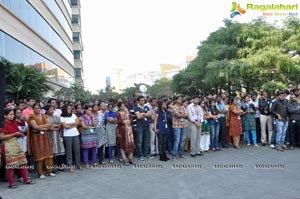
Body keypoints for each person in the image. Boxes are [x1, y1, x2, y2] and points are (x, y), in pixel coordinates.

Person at [0, 109, 35, 188]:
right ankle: (11, 183)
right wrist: (14, 134)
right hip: (7, 145)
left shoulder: (14, 122)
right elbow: (1, 137)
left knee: (23, 162)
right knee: (10, 165)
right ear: (5, 116)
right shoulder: (3, 124)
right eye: (10, 114)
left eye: (13, 114)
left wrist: (20, 134)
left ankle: (26, 179)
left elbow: (17, 133)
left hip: (16, 143)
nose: (12, 116)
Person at [27, 103, 56, 179]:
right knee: (39, 155)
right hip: (36, 139)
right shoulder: (31, 117)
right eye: (35, 108)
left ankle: (49, 172)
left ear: (40, 109)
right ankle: (40, 173)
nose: (37, 109)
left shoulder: (43, 116)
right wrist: (44, 127)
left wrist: (40, 127)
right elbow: (35, 127)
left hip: (45, 137)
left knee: (48, 154)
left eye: (38, 108)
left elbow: (49, 124)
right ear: (33, 109)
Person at [60, 104, 81, 172]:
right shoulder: (62, 117)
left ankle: (78, 164)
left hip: (75, 134)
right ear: (65, 109)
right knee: (69, 151)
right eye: (68, 108)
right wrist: (73, 124)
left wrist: (69, 124)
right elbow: (65, 126)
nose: (70, 110)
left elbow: (77, 123)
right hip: (67, 135)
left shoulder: (73, 115)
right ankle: (69, 165)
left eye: (70, 108)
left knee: (77, 150)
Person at [45, 105, 66, 171]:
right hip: (49, 135)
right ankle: (52, 166)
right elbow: (48, 126)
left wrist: (56, 127)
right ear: (47, 110)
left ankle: (60, 165)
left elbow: (60, 124)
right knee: (52, 150)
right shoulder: (45, 117)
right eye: (51, 109)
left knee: (60, 149)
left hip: (57, 135)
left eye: (53, 109)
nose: (52, 111)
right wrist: (53, 127)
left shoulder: (56, 116)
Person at [134, 95, 152, 161]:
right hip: (139, 126)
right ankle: (140, 155)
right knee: (139, 141)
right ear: (138, 101)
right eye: (141, 100)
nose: (143, 101)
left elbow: (150, 114)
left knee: (146, 141)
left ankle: (146, 154)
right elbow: (138, 117)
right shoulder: (136, 108)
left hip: (146, 125)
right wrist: (145, 114)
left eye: (144, 100)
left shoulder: (146, 106)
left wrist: (143, 114)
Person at [171, 96, 188, 160]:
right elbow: (177, 115)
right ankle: (174, 155)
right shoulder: (173, 107)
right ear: (176, 100)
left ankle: (181, 154)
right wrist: (183, 115)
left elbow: (187, 115)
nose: (180, 100)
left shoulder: (183, 107)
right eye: (179, 99)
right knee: (177, 140)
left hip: (183, 125)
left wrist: (181, 115)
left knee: (182, 140)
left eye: (181, 99)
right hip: (176, 126)